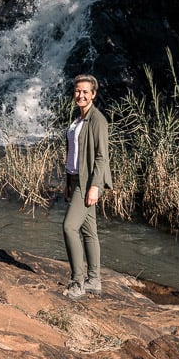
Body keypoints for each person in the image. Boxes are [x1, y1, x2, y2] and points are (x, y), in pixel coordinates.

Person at [62, 73, 113, 299]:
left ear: (93, 94)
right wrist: (67, 182)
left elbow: (102, 157)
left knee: (69, 227)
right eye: (77, 91)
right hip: (74, 180)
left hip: (87, 182)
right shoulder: (77, 120)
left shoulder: (97, 120)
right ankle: (94, 281)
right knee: (89, 231)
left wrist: (95, 186)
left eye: (85, 91)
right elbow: (72, 154)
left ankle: (77, 282)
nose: (80, 95)